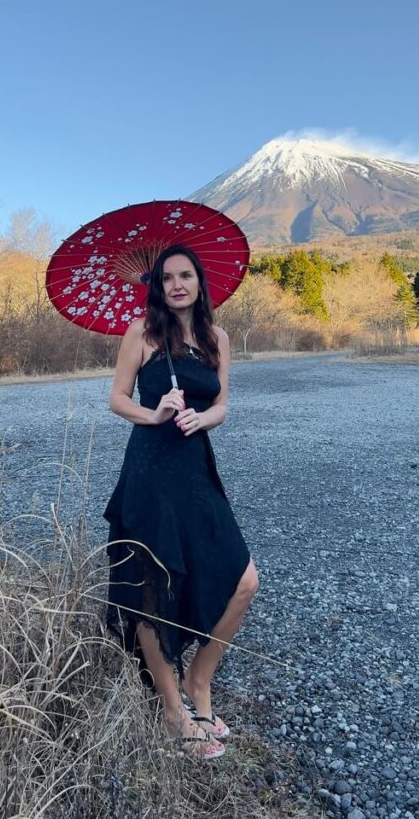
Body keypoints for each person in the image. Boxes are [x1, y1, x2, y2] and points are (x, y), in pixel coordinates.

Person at [104, 243, 259, 760]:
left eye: (185, 275)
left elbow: (222, 405)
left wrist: (199, 417)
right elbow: (117, 398)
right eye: (167, 277)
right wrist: (156, 413)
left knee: (244, 579)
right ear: (158, 284)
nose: (176, 284)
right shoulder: (142, 333)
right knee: (152, 584)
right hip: (150, 473)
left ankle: (199, 682)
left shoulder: (218, 338)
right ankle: (172, 711)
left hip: (195, 471)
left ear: (199, 282)